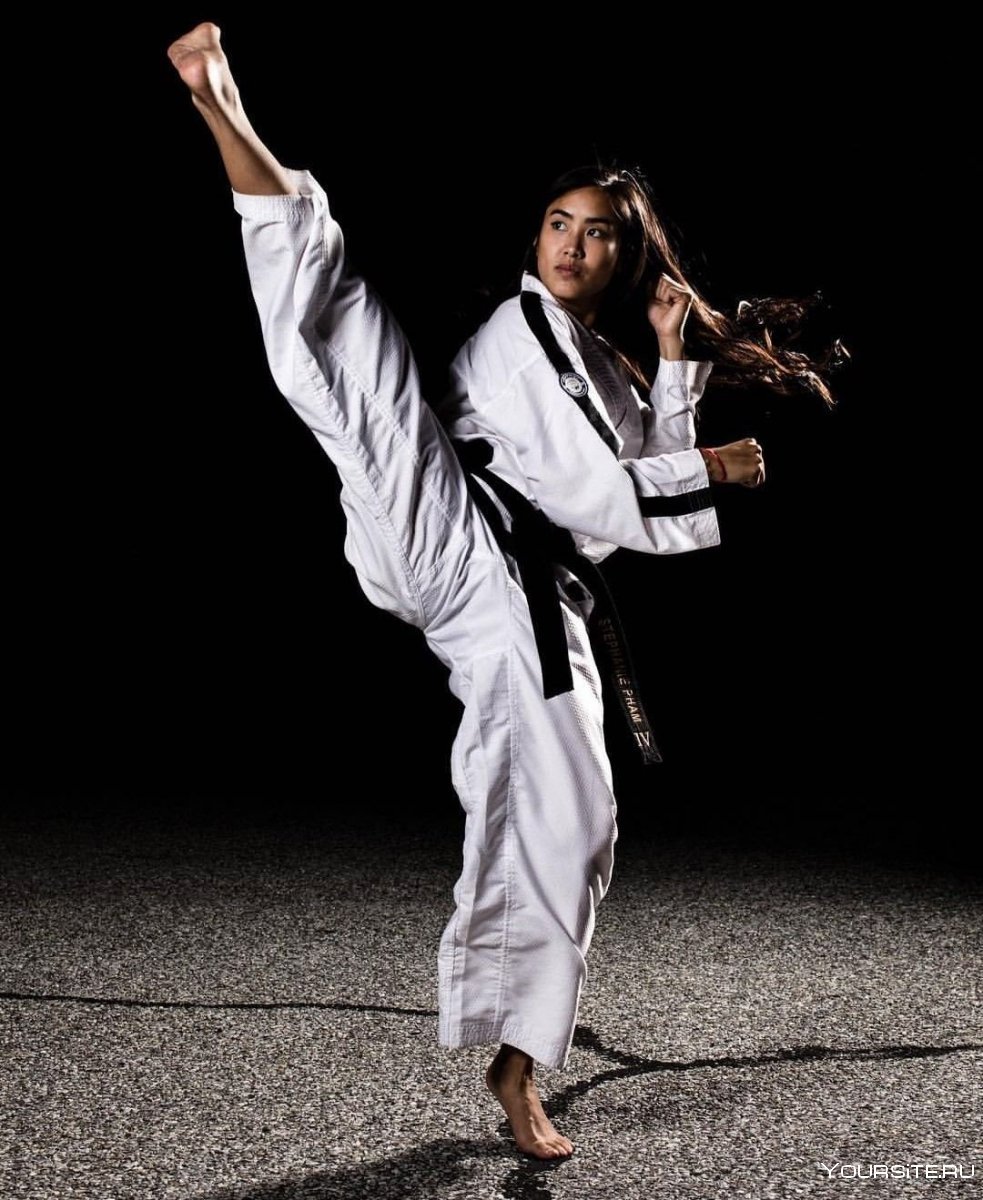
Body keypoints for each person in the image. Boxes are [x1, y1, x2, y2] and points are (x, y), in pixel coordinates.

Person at [167, 22, 783, 1160]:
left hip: (518, 598)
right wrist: (716, 467)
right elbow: (609, 491)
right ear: (535, 234)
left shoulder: (598, 358)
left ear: (623, 255)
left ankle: (515, 1062)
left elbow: (627, 475)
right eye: (558, 223)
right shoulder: (520, 328)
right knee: (342, 345)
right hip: (452, 528)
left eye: (597, 233)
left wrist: (676, 360)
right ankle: (221, 108)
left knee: (581, 820)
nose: (572, 245)